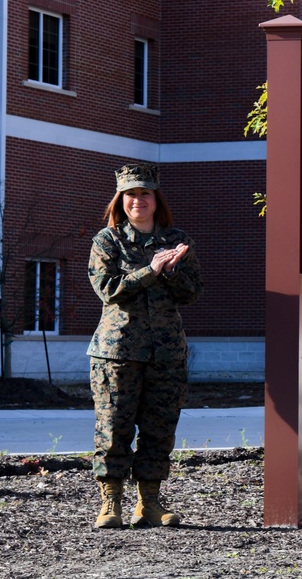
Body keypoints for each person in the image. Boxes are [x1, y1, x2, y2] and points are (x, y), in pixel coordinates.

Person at [87, 163, 203, 529]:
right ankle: (111, 504)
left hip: (166, 354)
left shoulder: (178, 240)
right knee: (114, 427)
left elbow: (193, 293)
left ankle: (148, 504)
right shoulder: (107, 241)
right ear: (120, 200)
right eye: (131, 194)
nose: (138, 200)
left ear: (156, 199)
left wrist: (172, 270)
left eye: (145, 193)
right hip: (118, 353)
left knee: (159, 429)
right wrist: (149, 270)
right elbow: (108, 290)